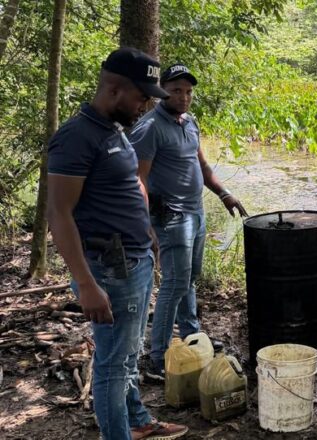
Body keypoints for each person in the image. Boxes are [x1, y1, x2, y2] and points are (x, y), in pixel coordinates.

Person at [47, 47, 188, 439]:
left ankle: (138, 421)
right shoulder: (75, 138)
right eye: (142, 96)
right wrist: (87, 284)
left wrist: (149, 236)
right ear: (114, 90)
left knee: (128, 357)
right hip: (109, 269)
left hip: (135, 261)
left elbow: (128, 188)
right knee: (112, 364)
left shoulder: (114, 130)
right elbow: (58, 214)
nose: (146, 104)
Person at [129, 63, 247, 380]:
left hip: (195, 212)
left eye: (189, 91)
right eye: (176, 90)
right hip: (170, 217)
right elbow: (137, 179)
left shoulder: (189, 122)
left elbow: (204, 167)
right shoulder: (151, 127)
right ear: (162, 91)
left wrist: (225, 194)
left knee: (189, 278)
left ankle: (193, 339)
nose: (184, 96)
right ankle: (159, 355)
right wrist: (146, 225)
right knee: (174, 283)